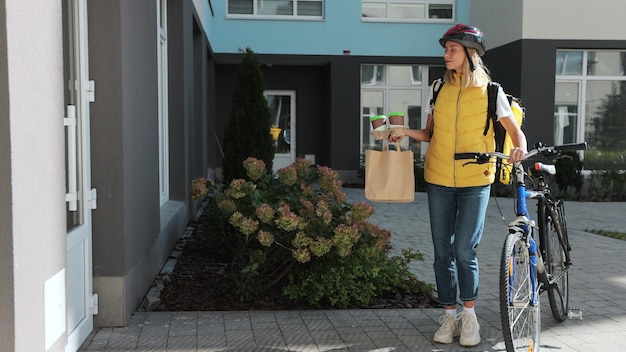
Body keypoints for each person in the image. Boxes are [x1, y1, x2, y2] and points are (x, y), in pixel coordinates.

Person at [390, 24, 528, 347]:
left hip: (475, 180)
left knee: (464, 250)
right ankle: (449, 315)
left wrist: (518, 147)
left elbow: (513, 130)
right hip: (438, 178)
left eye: (452, 49)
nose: (446, 55)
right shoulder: (437, 88)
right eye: (446, 49)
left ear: (469, 53)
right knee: (442, 253)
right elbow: (429, 134)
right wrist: (406, 134)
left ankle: (470, 316)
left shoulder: (491, 91)